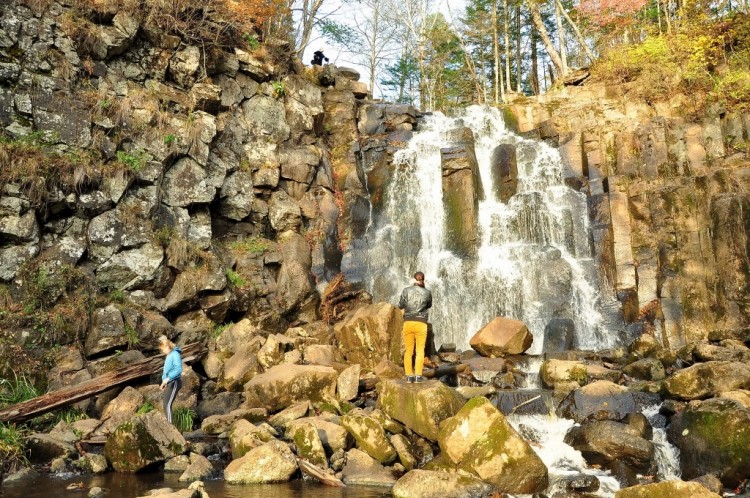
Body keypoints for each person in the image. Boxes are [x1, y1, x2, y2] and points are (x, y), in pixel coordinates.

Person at [398, 271, 432, 383]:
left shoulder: (406, 290)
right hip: (421, 323)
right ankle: (418, 376)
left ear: (414, 280)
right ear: (423, 280)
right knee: (420, 351)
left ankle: (409, 376)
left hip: (408, 322)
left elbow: (400, 305)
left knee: (408, 351)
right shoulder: (427, 292)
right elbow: (429, 305)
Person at [158, 335, 182, 425]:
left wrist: (167, 379)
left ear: (167, 346)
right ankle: (170, 427)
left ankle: (171, 429)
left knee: (167, 404)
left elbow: (178, 369)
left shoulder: (175, 354)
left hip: (175, 382)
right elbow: (167, 371)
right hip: (170, 382)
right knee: (165, 404)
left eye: (163, 349)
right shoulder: (170, 355)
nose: (162, 351)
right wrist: (164, 381)